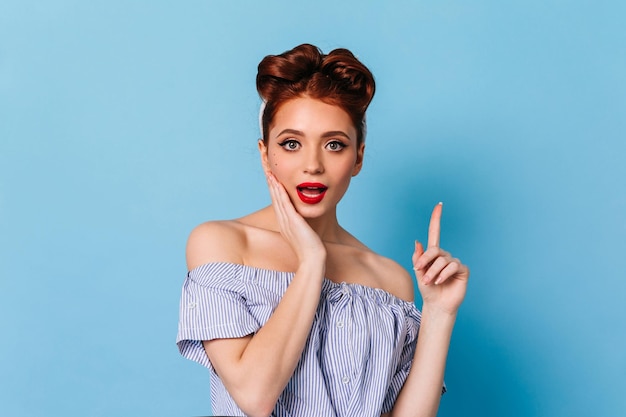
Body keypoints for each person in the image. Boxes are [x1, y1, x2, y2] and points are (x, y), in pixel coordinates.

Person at [176, 43, 469, 417]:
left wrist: (439, 314)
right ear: (266, 154)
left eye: (334, 144)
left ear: (358, 157)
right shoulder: (224, 244)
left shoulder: (389, 279)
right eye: (292, 143)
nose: (312, 165)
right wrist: (312, 259)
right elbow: (254, 396)